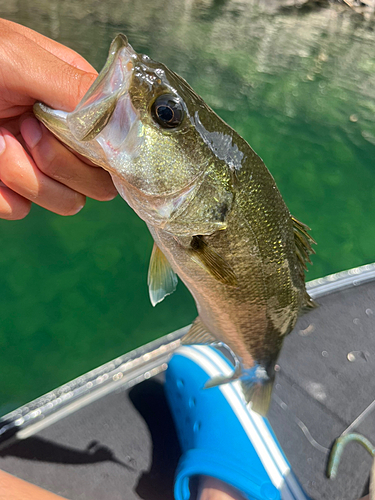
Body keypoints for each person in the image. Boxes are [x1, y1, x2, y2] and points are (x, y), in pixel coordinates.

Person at [0, 19, 370, 500]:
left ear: (208, 197)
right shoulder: (190, 221)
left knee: (249, 361)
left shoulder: (198, 222)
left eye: (165, 115)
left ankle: (255, 381)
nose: (151, 102)